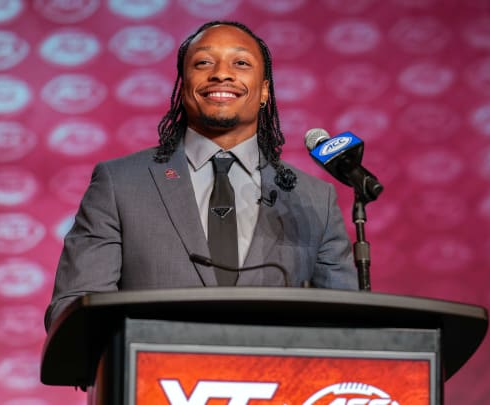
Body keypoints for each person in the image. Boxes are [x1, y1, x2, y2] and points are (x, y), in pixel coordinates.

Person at [44, 21, 358, 330]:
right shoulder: (120, 184)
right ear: (183, 87)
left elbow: (345, 326)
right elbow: (75, 309)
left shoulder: (314, 198)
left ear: (264, 92)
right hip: (154, 377)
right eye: (204, 62)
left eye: (241, 62)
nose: (221, 73)